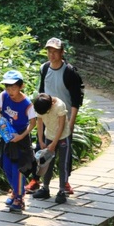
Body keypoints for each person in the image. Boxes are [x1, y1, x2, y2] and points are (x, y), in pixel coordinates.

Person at [25, 37, 83, 195]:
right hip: (46, 116)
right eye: (49, 51)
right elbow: (41, 92)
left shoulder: (70, 72)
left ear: (62, 52)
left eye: (55, 52)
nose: (52, 55)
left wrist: (71, 122)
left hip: (63, 118)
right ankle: (36, 180)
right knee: (41, 149)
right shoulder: (44, 68)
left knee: (64, 153)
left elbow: (76, 100)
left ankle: (65, 183)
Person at [0, 70, 37, 213]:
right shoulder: (3, 96)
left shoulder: (27, 104)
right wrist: (2, 120)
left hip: (21, 141)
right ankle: (16, 191)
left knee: (17, 169)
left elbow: (33, 123)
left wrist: (21, 136)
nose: (10, 91)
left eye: (13, 88)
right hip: (6, 137)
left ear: (21, 86)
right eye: (8, 88)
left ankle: (19, 199)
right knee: (5, 165)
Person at [31, 93, 70, 204]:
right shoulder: (41, 105)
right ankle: (45, 188)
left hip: (62, 137)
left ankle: (62, 191)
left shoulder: (59, 105)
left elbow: (61, 126)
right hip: (49, 136)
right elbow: (39, 123)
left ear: (51, 104)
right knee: (46, 164)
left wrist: (54, 143)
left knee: (63, 164)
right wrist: (40, 140)